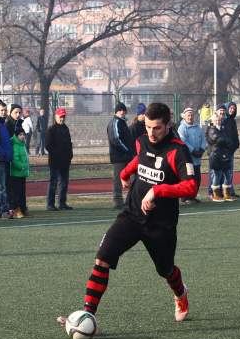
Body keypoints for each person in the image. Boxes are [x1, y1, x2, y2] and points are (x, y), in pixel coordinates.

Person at [56, 103, 196, 327]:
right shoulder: (141, 140)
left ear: (168, 125)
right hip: (131, 215)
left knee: (165, 269)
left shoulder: (178, 151)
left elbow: (191, 187)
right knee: (103, 257)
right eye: (148, 127)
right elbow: (140, 159)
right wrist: (125, 173)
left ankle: (180, 293)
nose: (151, 133)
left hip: (161, 224)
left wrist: (157, 191)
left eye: (157, 128)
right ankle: (86, 315)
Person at [107, 102, 135, 210]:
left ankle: (131, 200)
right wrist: (127, 150)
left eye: (124, 110)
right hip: (119, 157)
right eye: (120, 110)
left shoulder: (122, 122)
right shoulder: (115, 122)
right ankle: (118, 201)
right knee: (118, 180)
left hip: (127, 156)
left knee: (133, 177)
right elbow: (115, 139)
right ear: (116, 112)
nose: (122, 112)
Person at [45, 107, 73, 210]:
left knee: (64, 182)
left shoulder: (66, 128)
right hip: (55, 161)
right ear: (56, 116)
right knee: (53, 182)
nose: (62, 119)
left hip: (65, 161)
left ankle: (62, 203)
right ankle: (50, 204)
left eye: (63, 117)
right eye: (60, 116)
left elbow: (69, 143)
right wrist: (56, 154)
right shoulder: (51, 129)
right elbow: (48, 145)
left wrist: (70, 155)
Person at [177, 107, 206, 204]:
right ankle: (186, 197)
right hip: (188, 159)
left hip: (197, 159)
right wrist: (192, 150)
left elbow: (203, 139)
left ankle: (193, 196)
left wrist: (202, 149)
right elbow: (183, 141)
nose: (190, 117)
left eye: (192, 115)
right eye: (188, 115)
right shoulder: (182, 128)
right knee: (189, 179)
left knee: (197, 178)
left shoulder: (198, 128)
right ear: (184, 116)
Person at [206, 105, 235, 201]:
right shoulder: (211, 126)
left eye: (223, 112)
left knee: (227, 174)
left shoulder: (223, 125)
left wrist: (228, 142)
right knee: (215, 174)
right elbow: (216, 139)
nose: (219, 120)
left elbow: (228, 138)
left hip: (224, 153)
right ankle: (213, 193)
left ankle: (226, 194)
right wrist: (225, 140)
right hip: (215, 154)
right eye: (220, 111)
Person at [9, 128, 30, 218]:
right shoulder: (15, 146)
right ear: (16, 136)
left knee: (22, 193)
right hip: (16, 174)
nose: (22, 136)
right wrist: (22, 166)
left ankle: (23, 209)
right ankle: (16, 210)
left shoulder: (22, 145)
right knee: (16, 193)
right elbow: (15, 160)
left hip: (22, 174)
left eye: (23, 134)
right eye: (20, 135)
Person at [224, 102, 240, 198]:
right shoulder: (224, 119)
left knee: (230, 171)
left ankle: (230, 190)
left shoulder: (233, 120)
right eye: (230, 108)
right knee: (223, 171)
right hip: (224, 149)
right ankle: (220, 191)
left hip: (231, 150)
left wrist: (236, 144)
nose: (232, 110)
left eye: (234, 108)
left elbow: (235, 134)